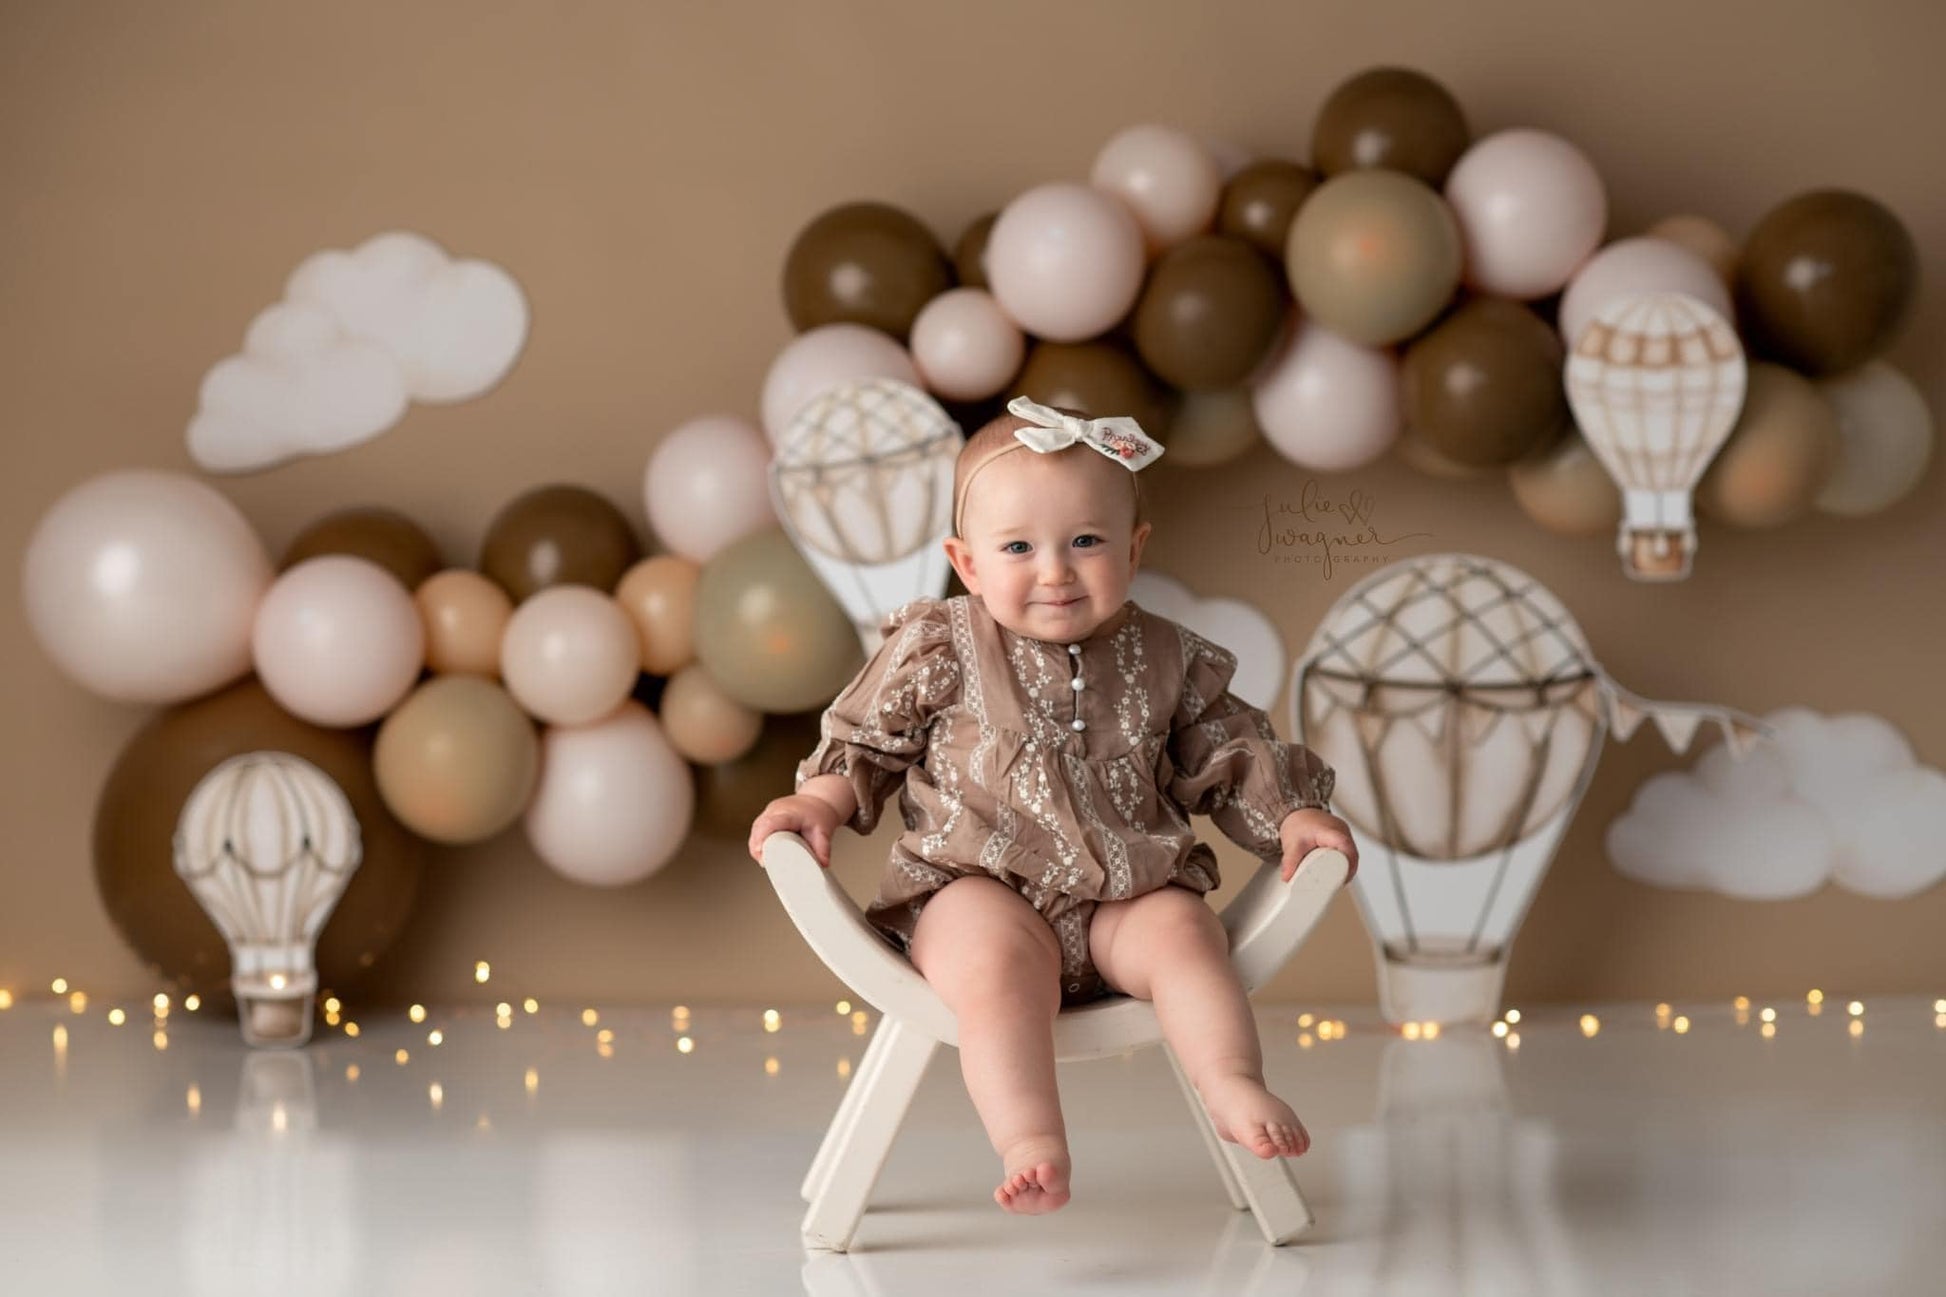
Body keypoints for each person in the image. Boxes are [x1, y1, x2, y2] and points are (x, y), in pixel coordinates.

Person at [748, 395, 1358, 1216]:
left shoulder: (1168, 658)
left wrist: (1291, 814)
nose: (1055, 571)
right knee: (994, 965)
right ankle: (1029, 1136)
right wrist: (819, 799)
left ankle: (1232, 1081)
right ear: (967, 563)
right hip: (975, 885)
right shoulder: (943, 644)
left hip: (1125, 896)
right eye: (1018, 547)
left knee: (1187, 934)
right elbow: (868, 738)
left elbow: (1231, 749)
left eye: (1086, 541)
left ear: (1133, 548)